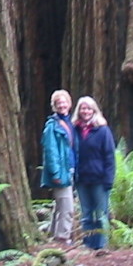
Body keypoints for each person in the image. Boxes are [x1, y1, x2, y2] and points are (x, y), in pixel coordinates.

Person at [74, 95, 116, 251]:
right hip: (82, 179)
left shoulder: (103, 130)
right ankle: (88, 246)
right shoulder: (75, 130)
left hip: (99, 179)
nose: (85, 111)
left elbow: (110, 156)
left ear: (94, 110)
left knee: (100, 215)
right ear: (79, 111)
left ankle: (102, 246)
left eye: (88, 108)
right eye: (83, 108)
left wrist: (109, 179)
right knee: (86, 215)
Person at [40, 89, 77, 246]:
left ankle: (55, 236)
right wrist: (55, 172)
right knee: (67, 205)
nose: (62, 105)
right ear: (54, 106)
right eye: (58, 103)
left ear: (69, 104)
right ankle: (62, 237)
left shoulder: (71, 123)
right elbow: (50, 151)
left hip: (71, 169)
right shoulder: (51, 126)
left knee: (61, 204)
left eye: (64, 102)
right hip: (60, 171)